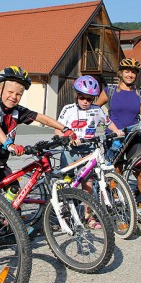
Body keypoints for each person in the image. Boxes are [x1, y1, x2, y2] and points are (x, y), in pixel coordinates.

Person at [0, 66, 76, 199]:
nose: (14, 97)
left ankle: (2, 215)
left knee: (14, 189)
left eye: (18, 94)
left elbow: (41, 117)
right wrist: (9, 145)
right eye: (10, 92)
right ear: (0, 89)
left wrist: (65, 129)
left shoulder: (17, 111)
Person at [95, 58, 141, 217]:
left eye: (133, 72)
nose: (130, 75)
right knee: (116, 171)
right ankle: (117, 202)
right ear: (121, 73)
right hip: (114, 136)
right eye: (127, 71)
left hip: (135, 137)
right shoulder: (109, 90)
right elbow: (95, 109)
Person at [55, 75, 110, 228]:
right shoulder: (68, 109)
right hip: (70, 151)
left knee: (88, 183)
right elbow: (58, 129)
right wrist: (66, 138)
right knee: (66, 183)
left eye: (90, 99)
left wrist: (117, 131)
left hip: (88, 150)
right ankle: (64, 215)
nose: (85, 101)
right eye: (82, 97)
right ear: (77, 95)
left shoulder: (97, 110)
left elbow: (107, 123)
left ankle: (89, 217)